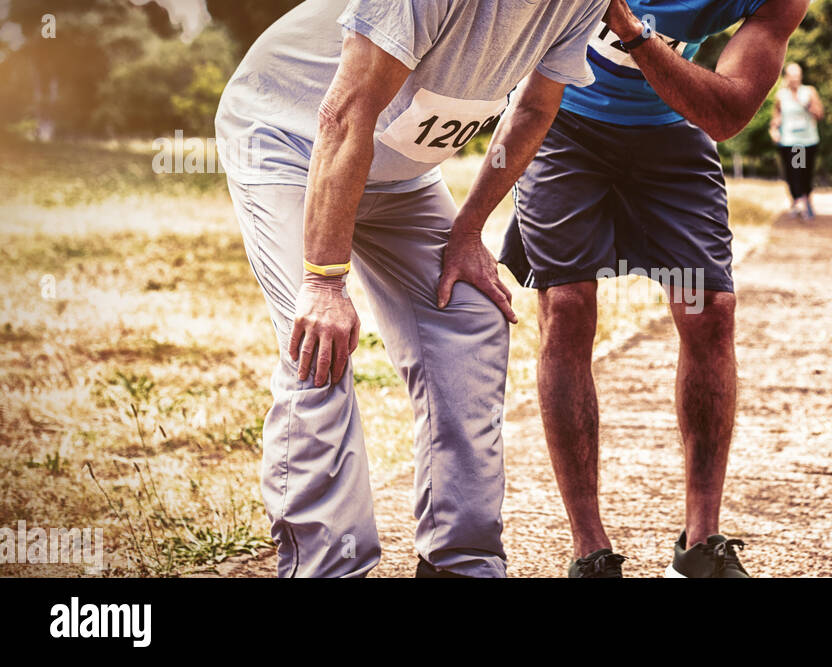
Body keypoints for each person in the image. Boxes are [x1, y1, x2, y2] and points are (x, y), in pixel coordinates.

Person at [214, 0, 607, 578]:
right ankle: (327, 566)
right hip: (291, 139)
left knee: (470, 318)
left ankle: (461, 559)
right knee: (319, 345)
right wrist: (324, 282)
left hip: (399, 170)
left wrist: (469, 229)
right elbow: (345, 115)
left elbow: (536, 105)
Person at [499, 0, 810, 578]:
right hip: (560, 119)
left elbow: (726, 112)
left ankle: (701, 545)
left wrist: (635, 34)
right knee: (567, 306)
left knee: (708, 307)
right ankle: (591, 550)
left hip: (672, 133)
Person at [769, 62, 824, 220]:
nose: (794, 79)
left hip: (808, 139)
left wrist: (808, 106)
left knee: (806, 172)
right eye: (791, 76)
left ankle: (804, 200)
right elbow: (777, 116)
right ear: (786, 77)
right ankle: (799, 200)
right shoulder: (781, 95)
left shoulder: (809, 92)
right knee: (795, 170)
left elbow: (819, 114)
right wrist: (774, 130)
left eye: (797, 76)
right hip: (791, 140)